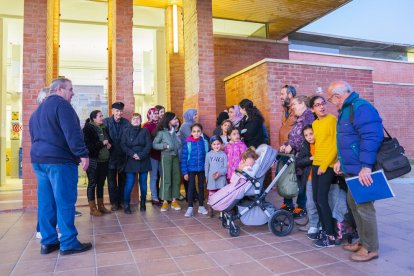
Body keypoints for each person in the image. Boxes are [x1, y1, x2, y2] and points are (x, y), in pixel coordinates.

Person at [30, 77, 92, 255]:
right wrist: (82, 154)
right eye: (70, 89)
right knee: (64, 201)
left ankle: (48, 242)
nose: (72, 93)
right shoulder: (62, 105)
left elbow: (33, 135)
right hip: (60, 161)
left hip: (39, 161)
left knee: (46, 202)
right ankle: (68, 242)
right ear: (59, 89)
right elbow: (72, 132)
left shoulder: (37, 111)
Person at [329, 80, 384, 262]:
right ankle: (363, 241)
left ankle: (371, 248)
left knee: (365, 208)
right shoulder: (347, 109)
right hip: (352, 169)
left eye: (331, 99)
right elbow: (347, 140)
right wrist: (340, 160)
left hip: (362, 170)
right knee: (354, 205)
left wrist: (366, 167)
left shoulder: (361, 108)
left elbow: (372, 137)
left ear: (338, 96)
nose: (332, 102)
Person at [309, 95, 338, 248]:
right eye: (317, 105)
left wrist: (325, 165)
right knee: (315, 199)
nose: (321, 107)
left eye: (323, 103)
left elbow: (335, 144)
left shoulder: (332, 120)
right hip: (316, 163)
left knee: (322, 199)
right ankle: (324, 230)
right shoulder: (314, 124)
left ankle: (331, 236)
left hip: (328, 165)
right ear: (312, 109)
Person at [279, 95, 315, 216]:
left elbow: (303, 136)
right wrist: (286, 144)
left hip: (304, 154)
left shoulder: (308, 117)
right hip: (297, 154)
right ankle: (290, 204)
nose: (292, 107)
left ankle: (301, 207)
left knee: (301, 181)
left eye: (294, 104)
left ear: (302, 104)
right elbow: (293, 136)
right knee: (295, 179)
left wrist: (292, 146)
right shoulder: (300, 118)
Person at [83, 110, 112, 216]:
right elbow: (89, 146)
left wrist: (109, 144)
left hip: (104, 161)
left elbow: (108, 140)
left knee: (101, 184)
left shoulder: (103, 127)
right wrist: (102, 143)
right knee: (92, 184)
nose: (102, 118)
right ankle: (93, 208)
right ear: (93, 118)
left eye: (102, 116)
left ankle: (101, 206)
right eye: (100, 116)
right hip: (93, 161)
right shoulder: (88, 129)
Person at [121, 113, 152, 214]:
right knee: (129, 184)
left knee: (143, 184)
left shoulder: (145, 131)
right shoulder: (126, 131)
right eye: (134, 118)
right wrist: (133, 154)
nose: (136, 120)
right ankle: (126, 204)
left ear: (141, 120)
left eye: (138, 118)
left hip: (144, 160)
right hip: (131, 160)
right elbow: (123, 145)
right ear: (131, 120)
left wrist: (141, 155)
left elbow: (148, 145)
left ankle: (143, 203)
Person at [153, 112, 182, 212]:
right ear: (169, 120)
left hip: (175, 157)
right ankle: (165, 201)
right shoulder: (162, 132)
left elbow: (178, 143)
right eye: (174, 119)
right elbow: (155, 144)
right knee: (166, 179)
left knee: (176, 178)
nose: (176, 120)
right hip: (166, 157)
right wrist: (165, 146)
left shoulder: (175, 131)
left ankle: (174, 200)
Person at [104, 102, 130, 211]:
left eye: (121, 111)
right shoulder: (106, 122)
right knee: (111, 181)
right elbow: (103, 134)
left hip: (123, 156)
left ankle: (122, 201)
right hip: (110, 156)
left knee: (123, 181)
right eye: (117, 111)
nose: (119, 113)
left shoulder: (126, 123)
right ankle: (114, 202)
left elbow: (129, 137)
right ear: (113, 111)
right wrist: (107, 142)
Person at [295, 125, 319, 239]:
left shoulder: (321, 143)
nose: (309, 137)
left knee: (321, 202)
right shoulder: (305, 145)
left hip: (321, 177)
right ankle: (313, 224)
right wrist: (310, 159)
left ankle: (321, 224)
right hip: (309, 177)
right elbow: (298, 161)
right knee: (310, 203)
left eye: (311, 133)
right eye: (306, 135)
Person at [181, 123, 209, 217]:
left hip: (201, 168)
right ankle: (190, 207)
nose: (196, 133)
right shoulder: (187, 142)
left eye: (198, 131)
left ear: (201, 132)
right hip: (191, 169)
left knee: (201, 187)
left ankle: (201, 206)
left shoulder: (204, 142)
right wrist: (185, 172)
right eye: (194, 131)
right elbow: (184, 158)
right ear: (191, 132)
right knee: (191, 188)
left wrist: (207, 170)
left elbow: (207, 156)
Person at [143, 108, 162, 206]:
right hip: (152, 155)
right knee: (154, 177)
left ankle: (162, 196)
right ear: (149, 114)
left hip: (162, 154)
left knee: (163, 176)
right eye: (154, 113)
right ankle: (154, 197)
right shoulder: (146, 126)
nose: (156, 115)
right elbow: (147, 140)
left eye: (157, 113)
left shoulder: (161, 124)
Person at [205, 136, 228, 217]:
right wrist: (207, 177)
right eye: (214, 144)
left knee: (221, 195)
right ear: (211, 145)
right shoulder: (208, 155)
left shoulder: (223, 155)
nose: (216, 146)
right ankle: (210, 209)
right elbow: (206, 167)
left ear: (221, 144)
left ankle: (222, 211)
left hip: (221, 179)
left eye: (218, 144)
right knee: (211, 194)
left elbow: (226, 168)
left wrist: (220, 173)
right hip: (212, 179)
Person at [179, 108, 198, 201]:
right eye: (194, 114)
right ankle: (189, 195)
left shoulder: (192, 124)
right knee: (188, 175)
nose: (196, 116)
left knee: (192, 174)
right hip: (187, 153)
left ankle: (193, 194)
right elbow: (191, 137)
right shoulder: (185, 125)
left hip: (192, 152)